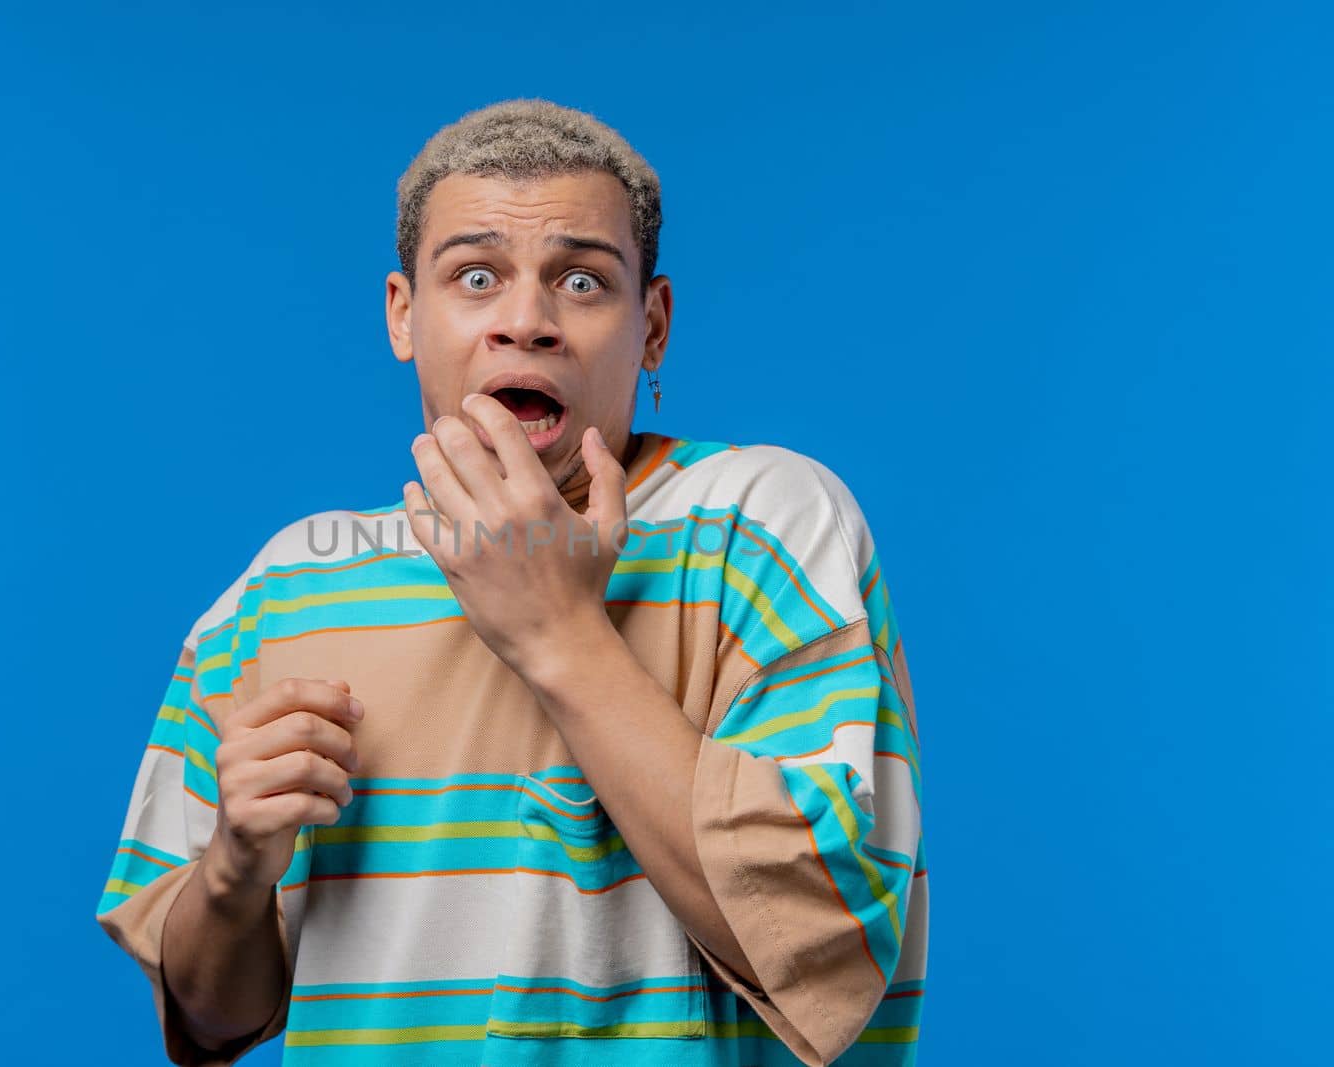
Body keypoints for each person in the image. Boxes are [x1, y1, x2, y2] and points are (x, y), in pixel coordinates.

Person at [95, 98, 928, 1067]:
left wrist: (558, 634)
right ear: (404, 314)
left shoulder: (760, 523)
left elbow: (825, 942)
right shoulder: (285, 587)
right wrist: (235, 872)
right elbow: (207, 1021)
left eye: (580, 279)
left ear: (651, 325)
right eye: (476, 276)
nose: (524, 322)